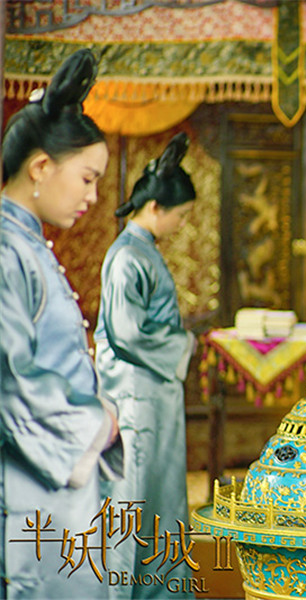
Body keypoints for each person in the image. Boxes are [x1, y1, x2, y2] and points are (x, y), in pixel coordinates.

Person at [0, 49, 122, 598]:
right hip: (32, 482)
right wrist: (95, 423)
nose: (93, 197)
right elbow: (10, 378)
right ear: (41, 167)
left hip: (55, 475)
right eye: (87, 178)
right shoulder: (8, 251)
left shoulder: (29, 246)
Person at [93, 132, 197, 598]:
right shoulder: (127, 257)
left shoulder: (141, 251)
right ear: (155, 208)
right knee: (131, 498)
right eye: (180, 214)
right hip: (134, 396)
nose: (181, 223)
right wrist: (184, 344)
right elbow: (126, 332)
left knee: (158, 494)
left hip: (152, 392)